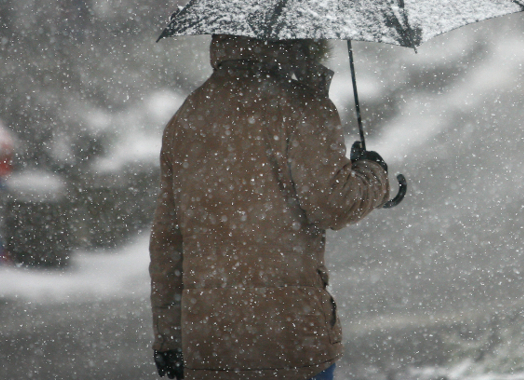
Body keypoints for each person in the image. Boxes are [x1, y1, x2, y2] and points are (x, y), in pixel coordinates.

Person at [149, 34, 390, 380]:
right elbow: (334, 204)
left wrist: (169, 340)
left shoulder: (188, 116)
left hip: (210, 341)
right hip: (291, 338)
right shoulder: (304, 108)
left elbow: (168, 245)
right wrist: (374, 176)